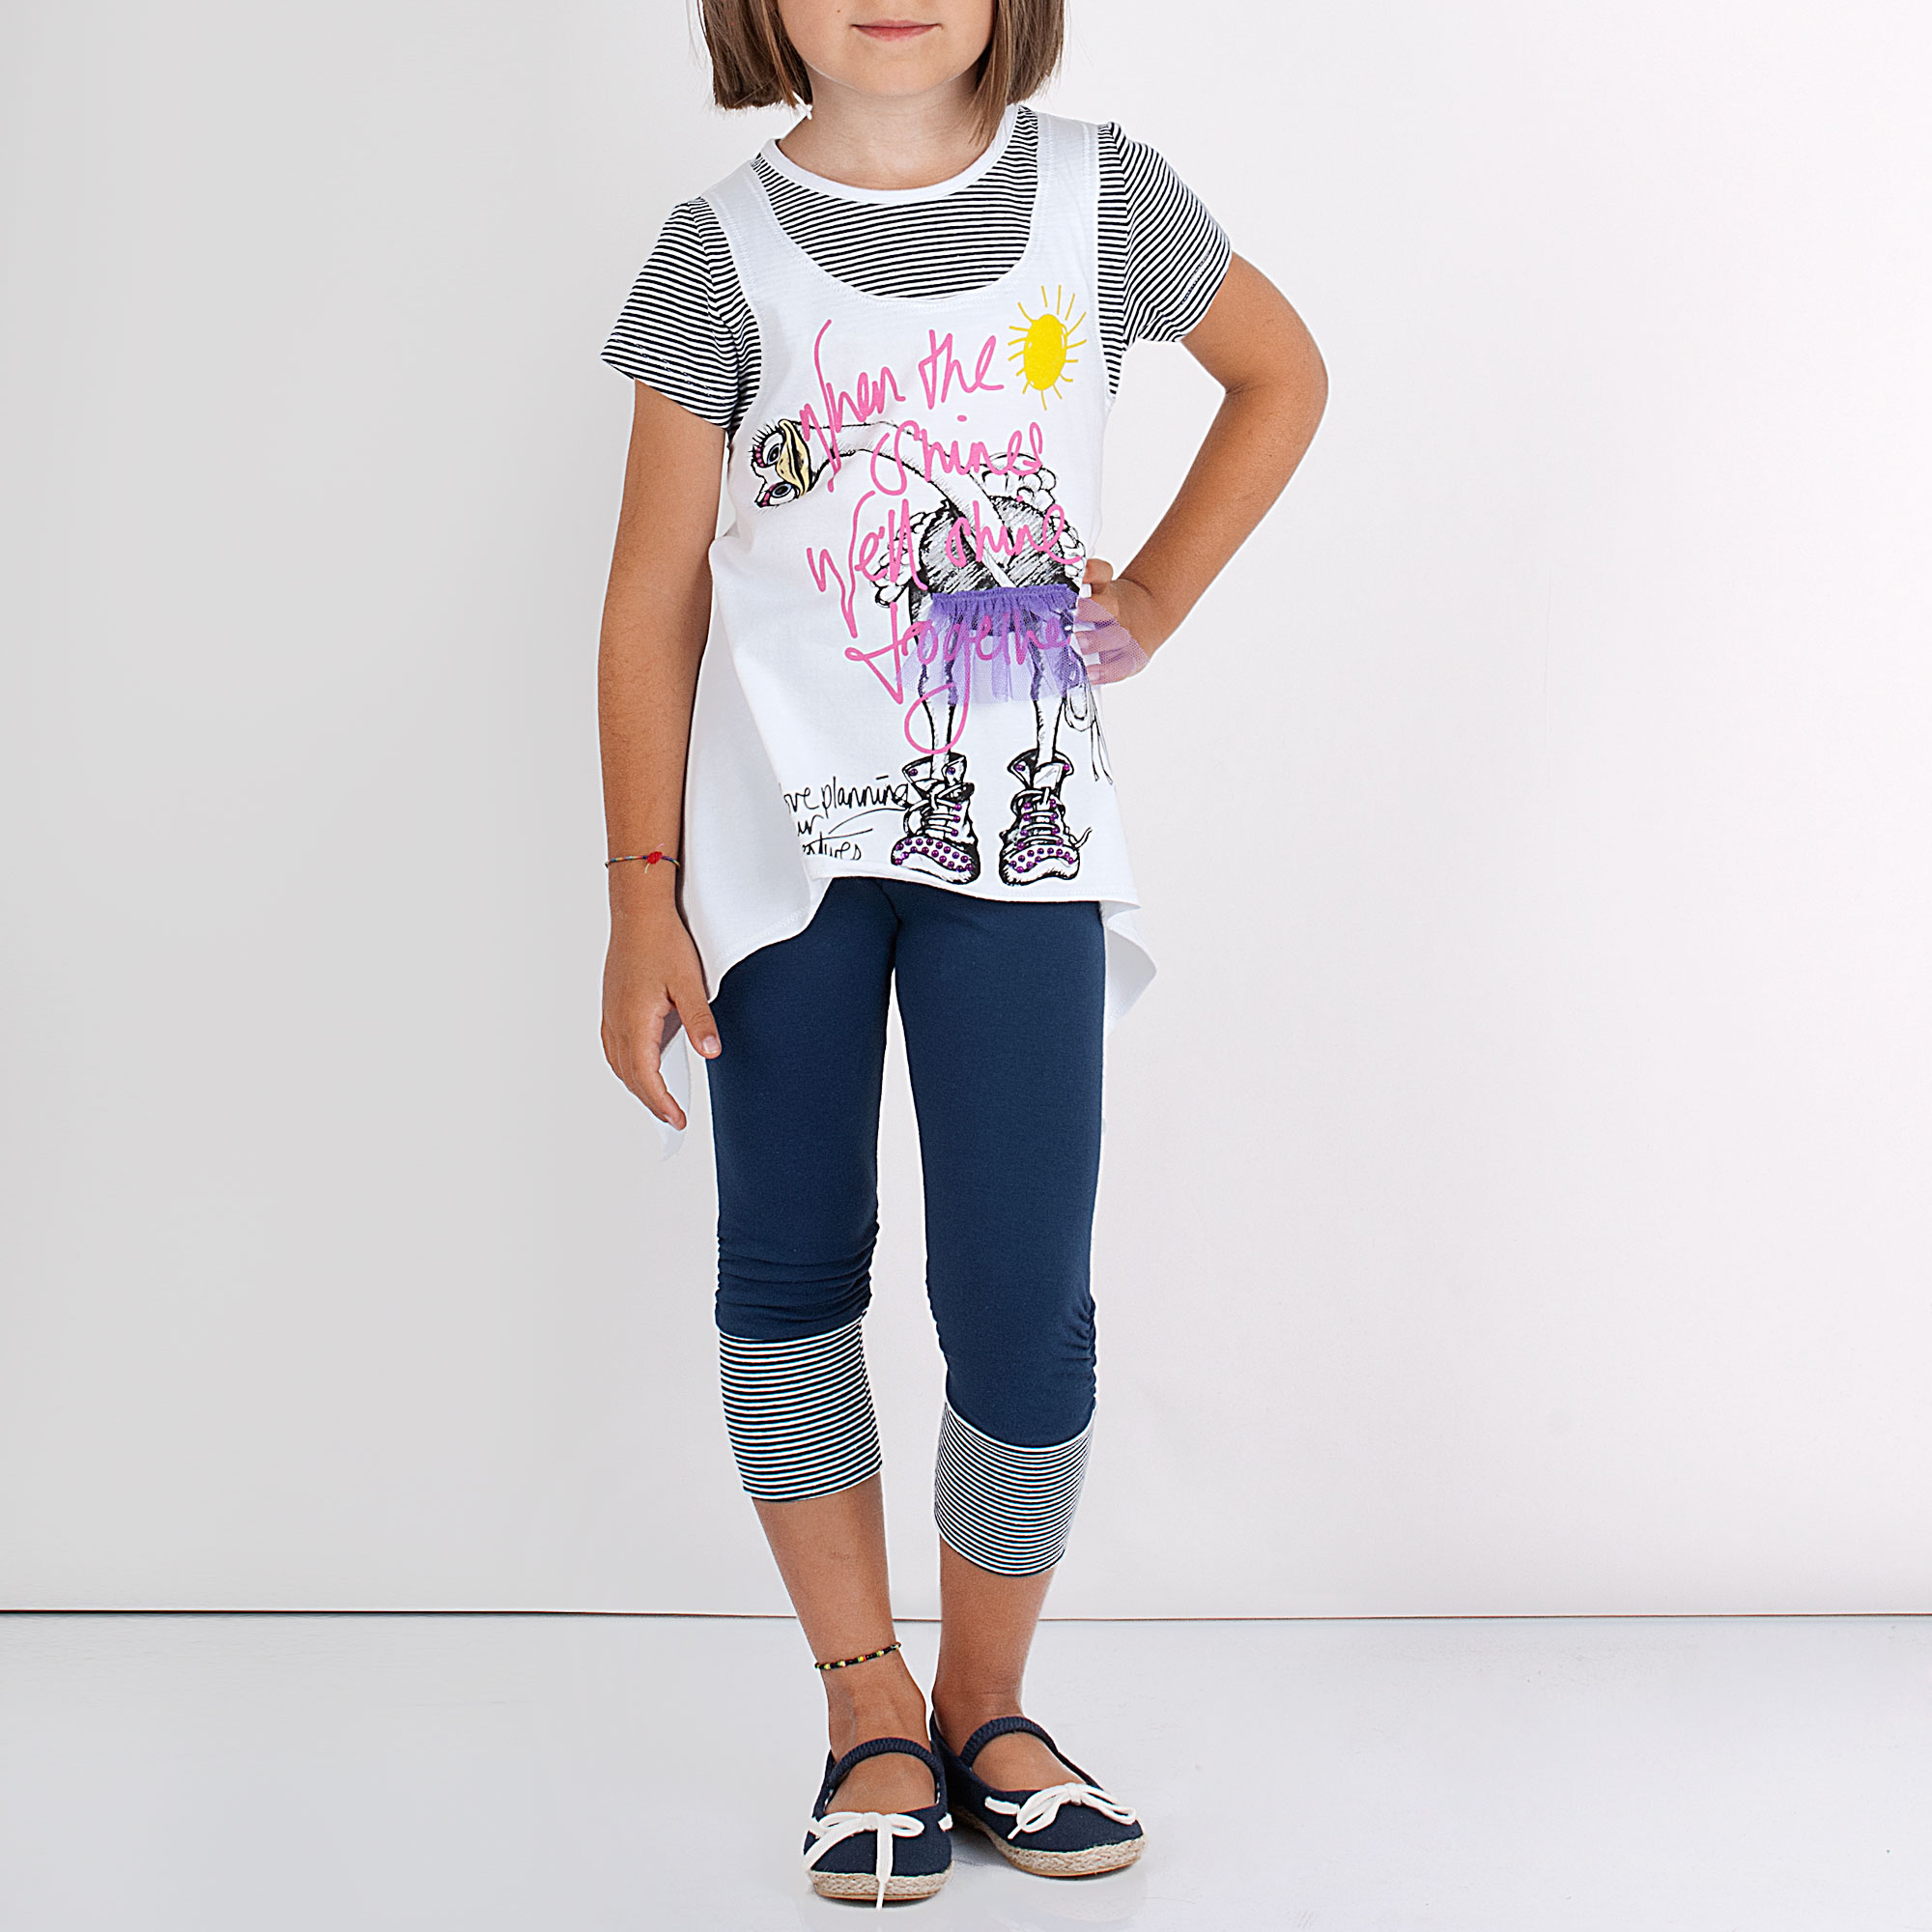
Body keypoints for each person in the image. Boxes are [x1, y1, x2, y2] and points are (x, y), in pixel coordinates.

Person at [595, 0, 1325, 1905]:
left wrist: (1152, 594)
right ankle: (867, 1709)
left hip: (1021, 839)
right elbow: (652, 590)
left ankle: (988, 1709)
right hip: (774, 865)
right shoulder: (716, 252)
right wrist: (639, 894)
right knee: (788, 1268)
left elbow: (1281, 374)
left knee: (1020, 1299)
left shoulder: (1099, 201)